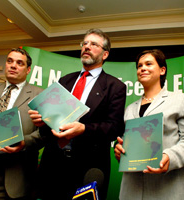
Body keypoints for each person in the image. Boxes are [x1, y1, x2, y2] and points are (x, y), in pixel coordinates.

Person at [29, 28, 126, 200]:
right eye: (85, 43)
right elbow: (50, 124)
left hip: (88, 166)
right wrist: (43, 121)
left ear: (105, 55)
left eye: (94, 44)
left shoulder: (115, 87)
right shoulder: (65, 80)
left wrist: (84, 129)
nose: (87, 47)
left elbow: (114, 127)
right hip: (52, 163)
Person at [114, 49, 184, 200]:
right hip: (133, 190)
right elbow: (126, 142)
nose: (142, 68)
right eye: (139, 65)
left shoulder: (180, 100)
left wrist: (170, 156)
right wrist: (120, 150)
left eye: (148, 64)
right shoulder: (129, 109)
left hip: (170, 189)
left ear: (162, 70)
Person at [0, 47, 44, 200]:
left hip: (14, 175)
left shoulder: (39, 95)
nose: (13, 65)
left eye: (19, 63)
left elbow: (45, 133)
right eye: (9, 61)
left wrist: (25, 142)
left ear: (28, 69)